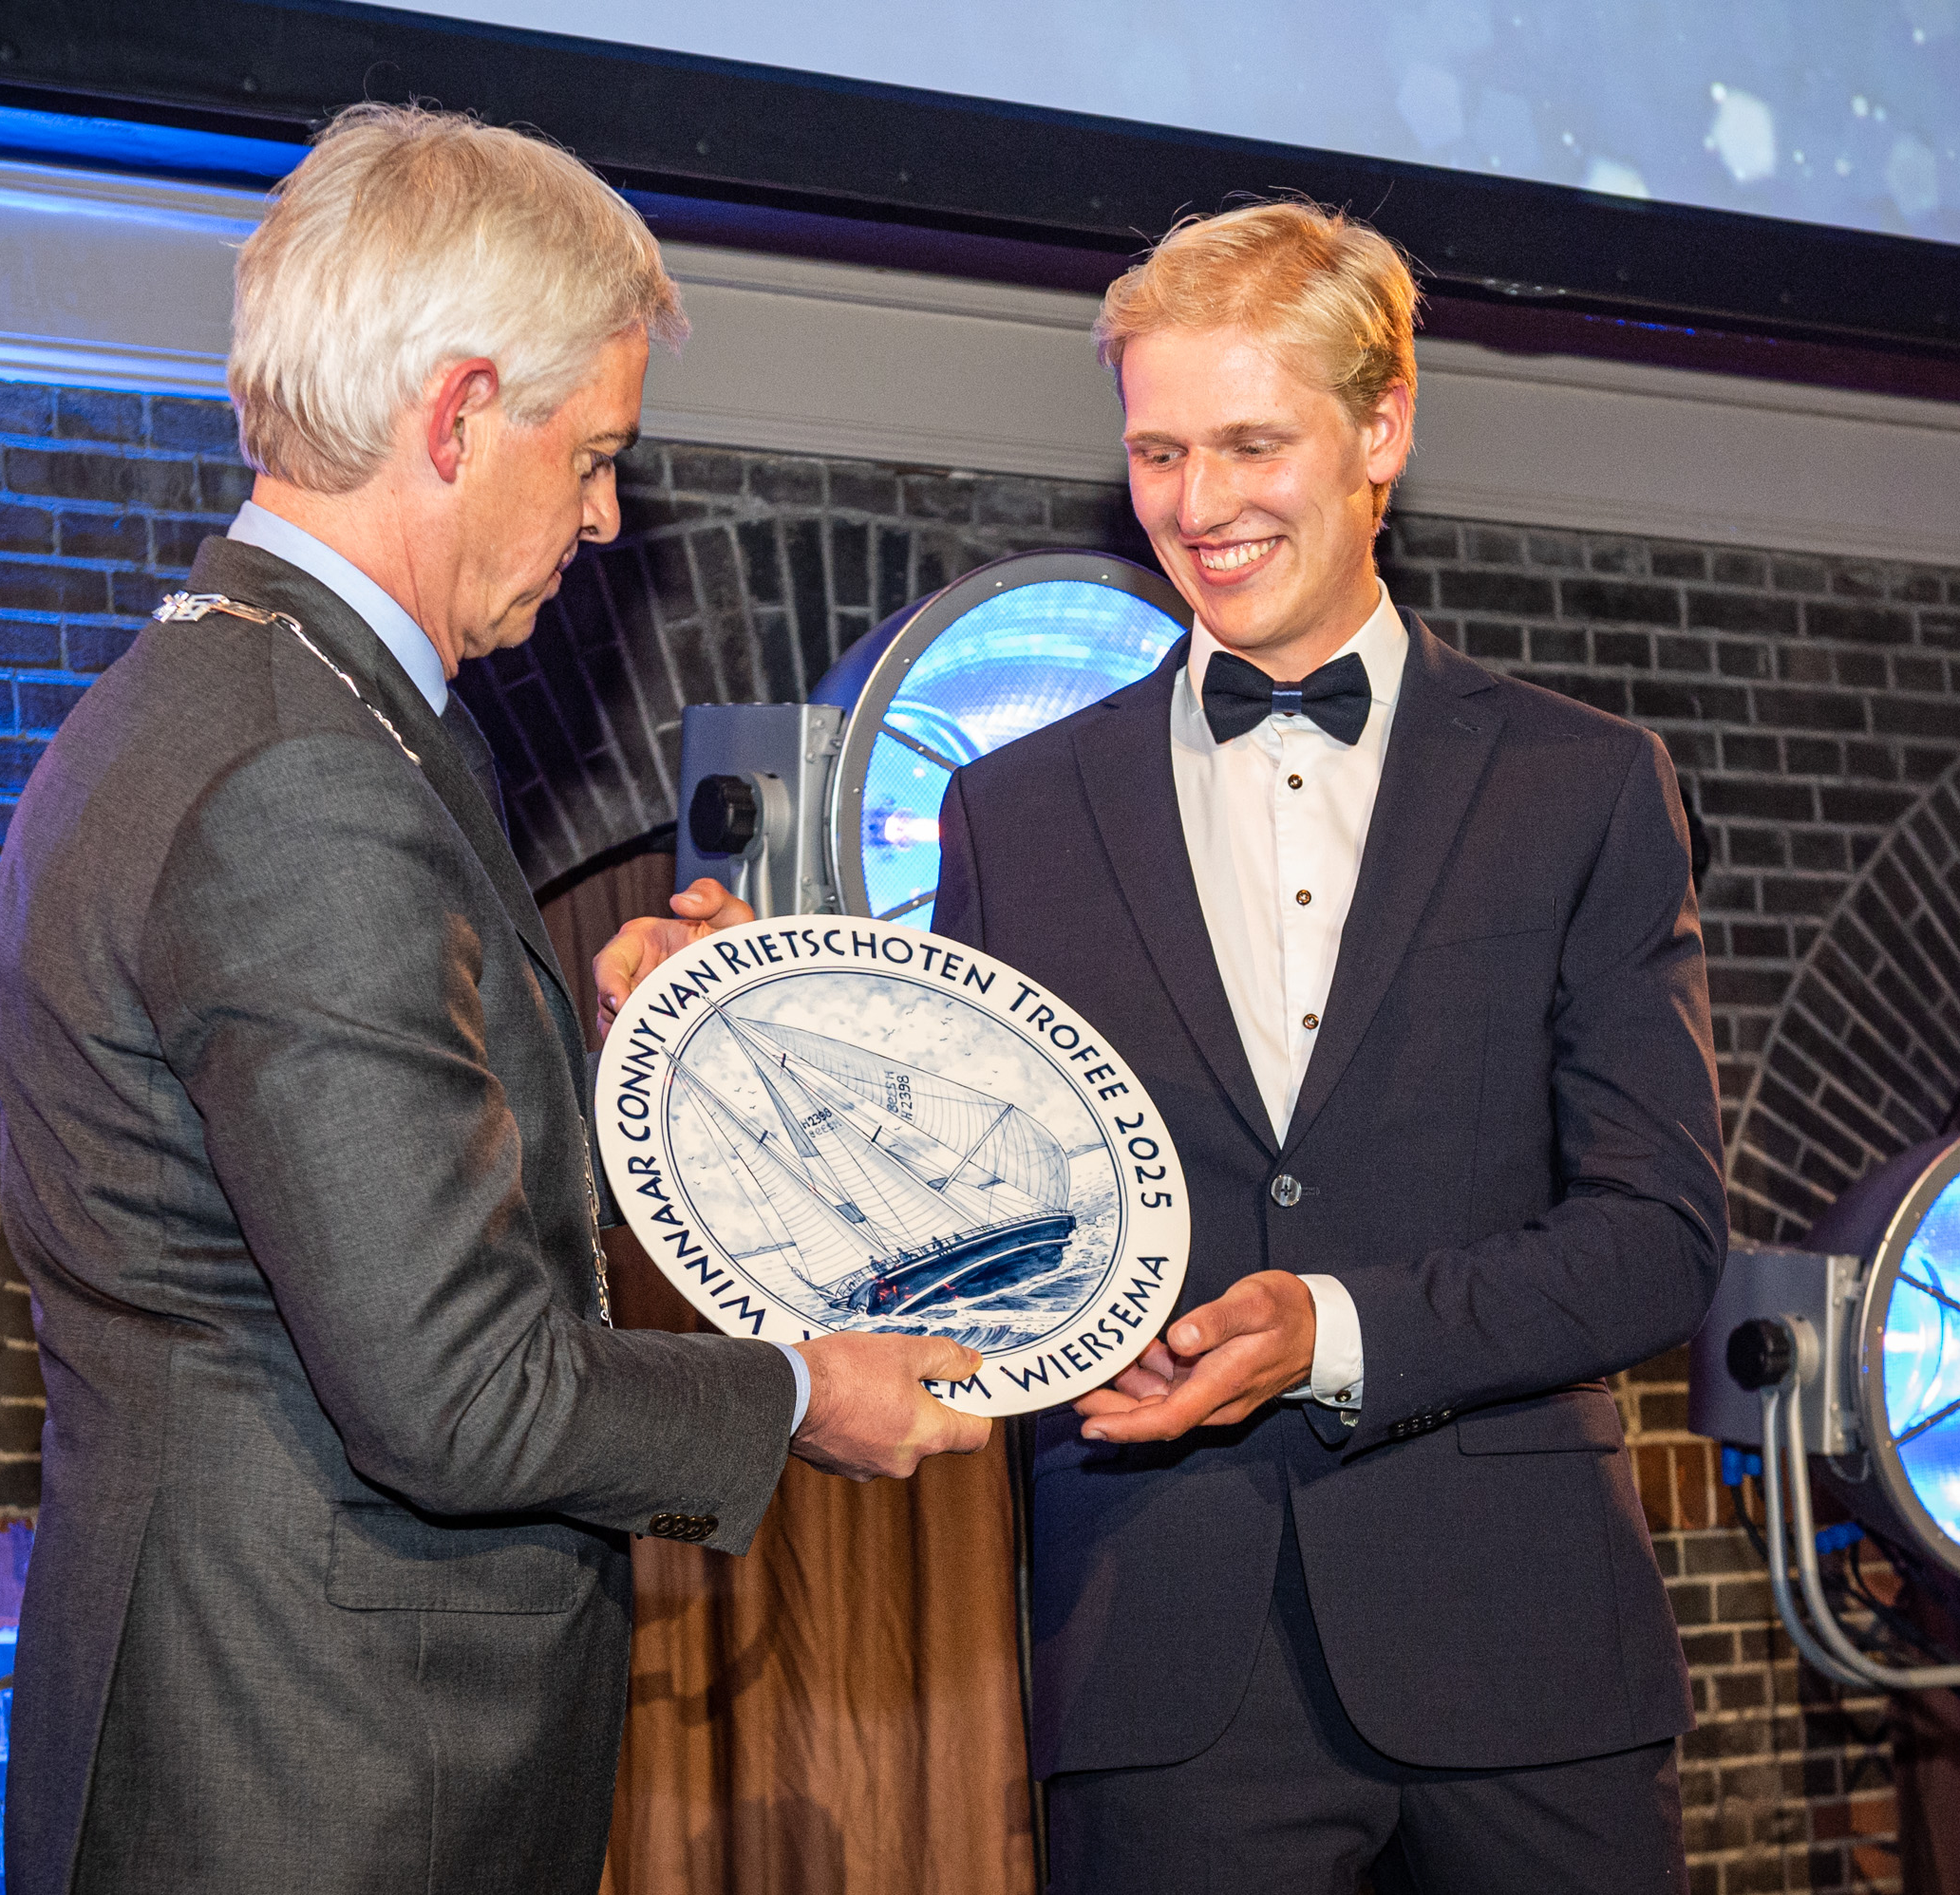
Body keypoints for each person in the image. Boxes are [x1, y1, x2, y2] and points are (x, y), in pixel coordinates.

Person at [608, 199, 1724, 1891]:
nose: (1198, 506)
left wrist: (1333, 1329)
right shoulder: (1015, 812)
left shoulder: (1582, 786)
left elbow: (1661, 1239)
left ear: (1385, 428)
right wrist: (744, 1023)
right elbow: (942, 1214)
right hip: (1159, 1667)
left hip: (1528, 1657)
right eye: (1157, 452)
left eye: (1251, 445)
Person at [0, 104, 986, 1895]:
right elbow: (456, 1397)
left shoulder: (210, 701)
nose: (603, 516)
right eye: (593, 454)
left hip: (255, 1723)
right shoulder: (303, 773)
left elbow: (319, 1203)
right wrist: (797, 1397)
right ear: (456, 416)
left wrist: (602, 1052)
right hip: (328, 1774)